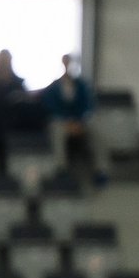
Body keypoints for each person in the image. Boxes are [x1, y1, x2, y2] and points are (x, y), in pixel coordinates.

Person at [41, 53, 101, 186]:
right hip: (62, 121)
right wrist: (67, 121)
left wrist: (78, 121)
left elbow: (86, 104)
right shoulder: (53, 87)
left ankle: (99, 169)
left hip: (79, 121)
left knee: (95, 128)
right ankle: (60, 168)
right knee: (56, 129)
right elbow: (51, 106)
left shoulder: (81, 85)